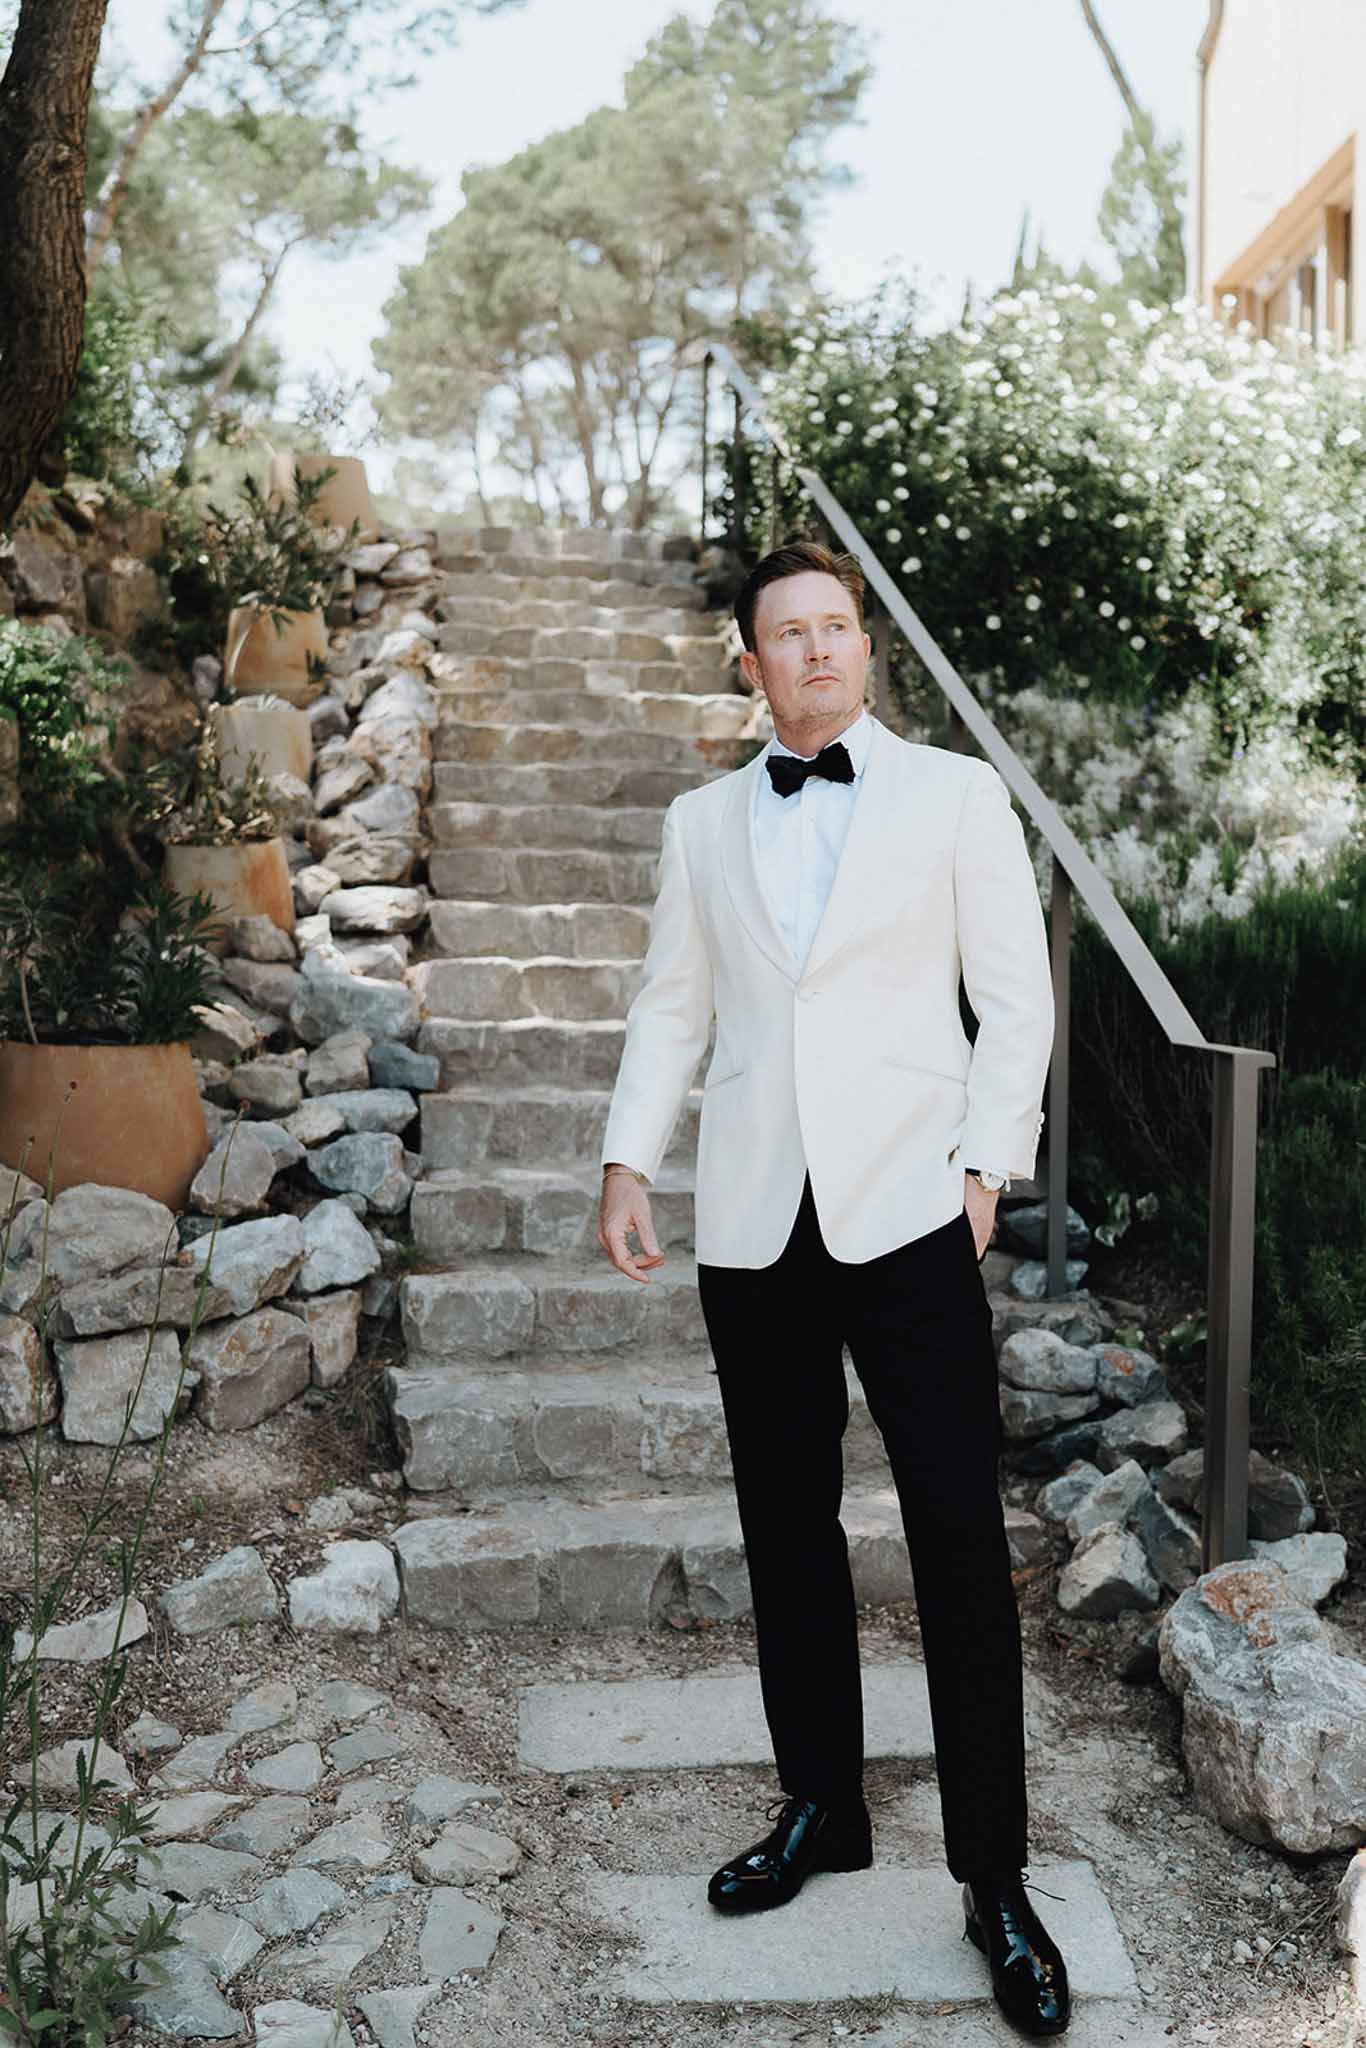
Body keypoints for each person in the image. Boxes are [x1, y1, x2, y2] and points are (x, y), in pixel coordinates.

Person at [596, 538, 1068, 2038]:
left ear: (864, 648)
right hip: (754, 1222)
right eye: (785, 633)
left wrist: (985, 1169)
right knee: (785, 1529)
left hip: (912, 1211)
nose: (814, 648)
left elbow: (1015, 1000)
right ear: (750, 665)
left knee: (954, 1540)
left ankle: (994, 1881)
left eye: (835, 627)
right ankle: (822, 1807)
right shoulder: (699, 823)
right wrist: (627, 1159)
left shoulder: (955, 796)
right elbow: (672, 1006)